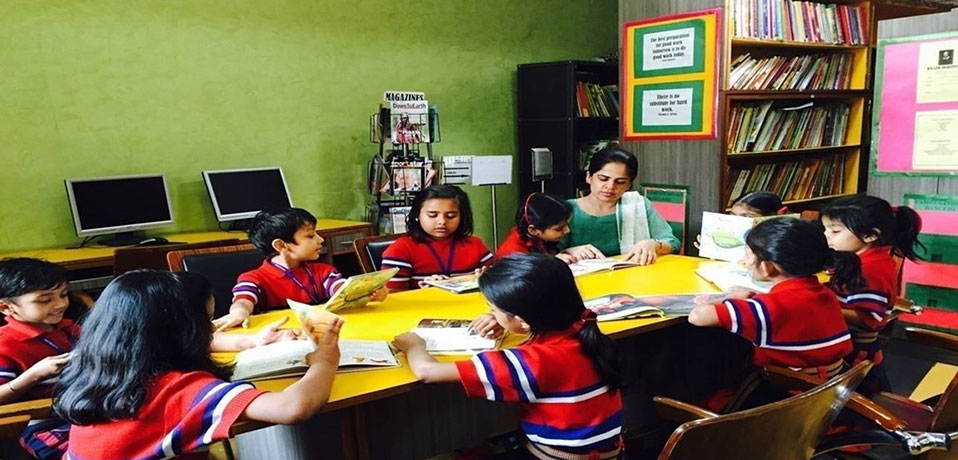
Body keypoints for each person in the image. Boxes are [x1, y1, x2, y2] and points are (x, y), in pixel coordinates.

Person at [54, 270, 343, 460]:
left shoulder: (96, 364)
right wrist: (326, 360)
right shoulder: (180, 389)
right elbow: (293, 407)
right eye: (207, 322)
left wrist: (251, 342)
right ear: (184, 332)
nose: (213, 330)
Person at [393, 254, 624, 459]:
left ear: (523, 320)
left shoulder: (531, 361)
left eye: (494, 309)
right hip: (609, 451)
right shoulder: (582, 327)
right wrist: (507, 323)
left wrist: (414, 345)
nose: (491, 313)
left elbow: (427, 372)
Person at [688, 218, 859, 412]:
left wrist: (728, 299)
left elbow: (697, 317)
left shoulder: (765, 309)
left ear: (767, 267)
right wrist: (755, 297)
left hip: (781, 401)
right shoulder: (824, 293)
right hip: (827, 395)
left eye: (748, 255)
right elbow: (790, 307)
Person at [215, 208, 386, 330]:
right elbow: (244, 301)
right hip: (282, 338)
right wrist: (238, 313)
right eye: (311, 236)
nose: (320, 240)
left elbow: (340, 288)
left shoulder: (323, 271)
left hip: (324, 333)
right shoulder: (253, 278)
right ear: (281, 245)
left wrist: (367, 291)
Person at [820, 194, 924, 392]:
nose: (826, 236)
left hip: (856, 351)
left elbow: (869, 320)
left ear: (870, 236)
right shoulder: (859, 258)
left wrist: (821, 306)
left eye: (835, 231)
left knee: (854, 398)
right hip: (847, 341)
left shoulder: (872, 270)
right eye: (826, 229)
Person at [0, 258, 74, 460]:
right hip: (38, 422)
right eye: (44, 300)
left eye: (64, 294)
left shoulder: (69, 329)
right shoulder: (6, 345)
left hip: (82, 409)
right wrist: (33, 375)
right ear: (7, 307)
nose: (60, 304)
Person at [560, 147, 680, 265]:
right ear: (589, 177)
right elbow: (547, 253)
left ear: (629, 185)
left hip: (629, 277)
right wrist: (568, 251)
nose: (610, 186)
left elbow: (673, 243)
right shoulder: (568, 209)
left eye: (620, 182)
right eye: (603, 179)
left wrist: (654, 244)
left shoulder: (638, 205)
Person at [381, 185, 493, 291]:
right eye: (432, 215)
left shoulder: (475, 244)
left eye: (451, 216)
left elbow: (500, 286)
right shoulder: (401, 249)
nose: (442, 222)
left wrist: (487, 279)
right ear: (417, 215)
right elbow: (392, 296)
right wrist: (425, 292)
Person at [495, 193, 575, 262]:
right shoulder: (513, 254)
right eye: (559, 229)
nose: (567, 230)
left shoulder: (535, 238)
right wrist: (552, 263)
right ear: (533, 230)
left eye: (567, 225)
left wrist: (568, 252)